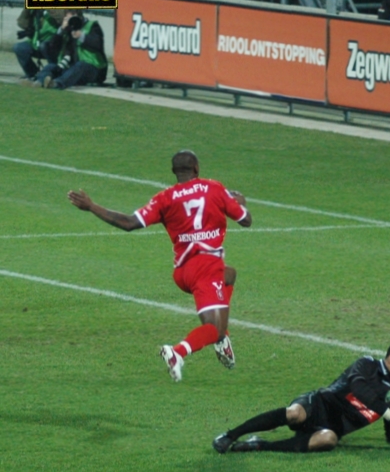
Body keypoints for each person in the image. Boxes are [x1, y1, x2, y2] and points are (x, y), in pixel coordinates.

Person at [67, 150, 252, 382]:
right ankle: (178, 352)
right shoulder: (214, 188)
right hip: (205, 267)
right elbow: (246, 221)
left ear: (175, 172)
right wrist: (238, 202)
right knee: (212, 329)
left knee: (230, 275)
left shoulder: (164, 198)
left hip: (182, 272)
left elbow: (129, 223)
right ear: (196, 168)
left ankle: (223, 339)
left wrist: (92, 206)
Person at [212, 340, 390, 453]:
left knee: (328, 440)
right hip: (317, 405)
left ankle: (260, 445)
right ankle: (231, 435)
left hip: (332, 429)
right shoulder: (367, 364)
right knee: (294, 413)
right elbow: (361, 391)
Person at [32, 11, 108, 90]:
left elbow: (98, 43)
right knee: (51, 66)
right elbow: (52, 48)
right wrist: (61, 30)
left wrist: (81, 36)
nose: (72, 20)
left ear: (79, 16)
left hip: (94, 69)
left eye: (73, 16)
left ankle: (57, 83)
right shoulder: (67, 30)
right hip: (72, 68)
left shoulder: (92, 26)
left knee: (80, 65)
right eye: (68, 18)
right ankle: (39, 81)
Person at [14, 8, 62, 80]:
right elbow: (21, 23)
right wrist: (27, 9)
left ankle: (54, 73)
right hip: (36, 42)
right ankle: (32, 73)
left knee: (44, 46)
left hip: (54, 44)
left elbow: (61, 18)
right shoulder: (36, 10)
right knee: (19, 48)